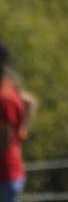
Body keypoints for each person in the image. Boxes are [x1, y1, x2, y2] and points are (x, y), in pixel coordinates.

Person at [0, 43, 36, 202]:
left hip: (4, 176)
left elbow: (3, 142)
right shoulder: (8, 85)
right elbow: (30, 102)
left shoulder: (3, 99)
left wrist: (19, 134)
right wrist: (21, 132)